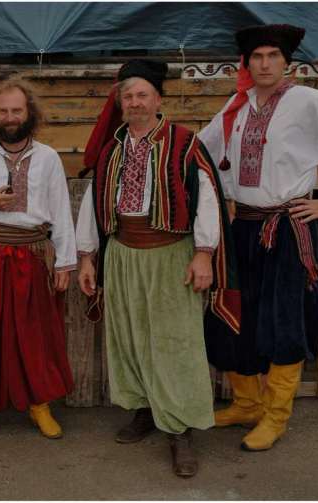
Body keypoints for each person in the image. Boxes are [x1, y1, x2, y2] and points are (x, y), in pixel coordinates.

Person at [198, 24, 318, 451]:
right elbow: (204, 154)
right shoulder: (236, 105)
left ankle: (276, 415)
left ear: (287, 62)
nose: (265, 64)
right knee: (236, 315)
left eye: (273, 56)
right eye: (257, 57)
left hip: (286, 229)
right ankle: (247, 403)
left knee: (284, 319)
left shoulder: (309, 102)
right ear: (247, 63)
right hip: (243, 228)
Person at [75, 60, 239, 477]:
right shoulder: (111, 149)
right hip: (123, 253)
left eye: (142, 95)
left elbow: (207, 198)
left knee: (175, 342)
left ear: (158, 99)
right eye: (128, 96)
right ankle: (146, 410)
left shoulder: (184, 143)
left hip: (170, 253)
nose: (135, 102)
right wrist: (87, 256)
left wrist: (204, 253)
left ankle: (179, 430)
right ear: (121, 104)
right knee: (130, 338)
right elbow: (93, 202)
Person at [0, 80, 77, 440]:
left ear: (29, 112)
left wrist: (64, 262)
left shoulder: (48, 158)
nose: (9, 117)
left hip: (32, 255)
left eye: (16, 110)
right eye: (3, 111)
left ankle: (39, 404)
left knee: (35, 334)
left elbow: (61, 211)